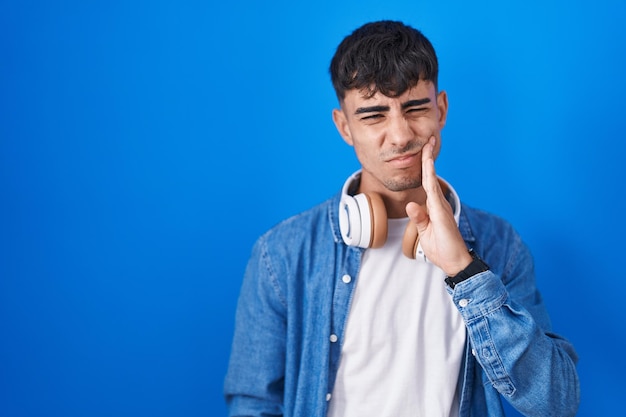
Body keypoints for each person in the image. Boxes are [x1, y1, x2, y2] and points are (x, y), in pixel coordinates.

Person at [224, 20, 580, 417]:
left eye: (414, 108)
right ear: (344, 126)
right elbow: (254, 405)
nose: (399, 135)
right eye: (374, 115)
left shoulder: (499, 244)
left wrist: (465, 269)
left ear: (440, 109)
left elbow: (556, 402)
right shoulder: (282, 254)